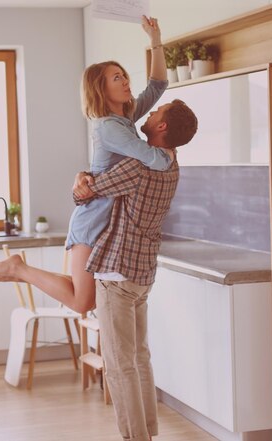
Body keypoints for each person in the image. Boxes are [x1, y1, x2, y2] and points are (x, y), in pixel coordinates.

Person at [0, 16, 172, 313]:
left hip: (106, 220)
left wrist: (155, 40)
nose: (125, 81)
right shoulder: (108, 126)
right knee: (83, 301)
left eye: (124, 75)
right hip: (93, 218)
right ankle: (19, 270)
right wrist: (172, 155)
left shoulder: (124, 119)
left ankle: (20, 269)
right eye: (116, 78)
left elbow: (158, 84)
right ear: (100, 88)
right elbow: (152, 159)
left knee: (85, 296)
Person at [72, 99, 198, 441]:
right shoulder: (172, 164)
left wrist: (81, 180)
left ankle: (135, 437)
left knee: (119, 363)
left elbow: (88, 194)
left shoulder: (138, 167)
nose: (151, 112)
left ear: (161, 128)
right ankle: (148, 432)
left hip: (116, 273)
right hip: (142, 275)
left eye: (158, 111)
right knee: (140, 358)